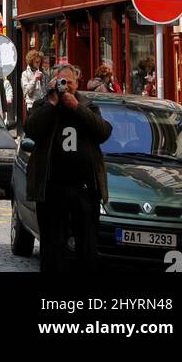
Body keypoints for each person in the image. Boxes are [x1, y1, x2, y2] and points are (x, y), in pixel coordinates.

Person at [25, 62, 112, 272]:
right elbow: (31, 129)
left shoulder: (87, 105)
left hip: (84, 189)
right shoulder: (44, 105)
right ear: (53, 83)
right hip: (52, 188)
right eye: (61, 82)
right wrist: (52, 103)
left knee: (87, 247)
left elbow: (104, 132)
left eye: (69, 82)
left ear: (77, 83)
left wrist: (76, 107)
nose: (66, 86)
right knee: (53, 247)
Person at [21, 48, 47, 115]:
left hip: (43, 104)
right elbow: (27, 91)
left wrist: (42, 81)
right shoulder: (25, 74)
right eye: (36, 62)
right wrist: (34, 79)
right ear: (31, 61)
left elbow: (45, 90)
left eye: (40, 62)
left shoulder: (43, 72)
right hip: (32, 105)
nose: (38, 64)